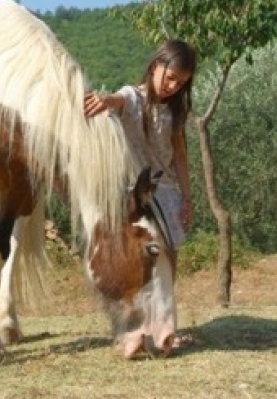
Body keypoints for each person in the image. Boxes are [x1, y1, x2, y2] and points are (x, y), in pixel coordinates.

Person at [83, 38, 196, 348]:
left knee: (168, 261)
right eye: (170, 77)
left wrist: (187, 197)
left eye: (181, 82)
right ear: (155, 66)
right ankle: (135, 325)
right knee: (140, 259)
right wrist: (105, 100)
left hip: (168, 189)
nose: (173, 85)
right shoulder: (133, 97)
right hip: (137, 192)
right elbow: (119, 99)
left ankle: (164, 326)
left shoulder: (175, 111)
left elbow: (181, 155)